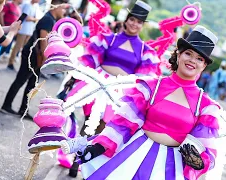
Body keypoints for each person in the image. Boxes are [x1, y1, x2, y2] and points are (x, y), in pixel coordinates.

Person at [62, 25, 221, 180]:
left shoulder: (206, 106)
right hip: (132, 155)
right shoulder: (151, 86)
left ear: (204, 66)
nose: (192, 60)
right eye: (188, 53)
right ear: (179, 55)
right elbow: (124, 122)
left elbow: (205, 146)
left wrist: (199, 161)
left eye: (199, 58)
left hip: (171, 168)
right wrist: (99, 146)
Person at [62, 1, 161, 176]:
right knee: (88, 124)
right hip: (98, 84)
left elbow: (145, 78)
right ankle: (75, 163)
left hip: (120, 92)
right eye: (132, 19)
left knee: (104, 130)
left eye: (139, 21)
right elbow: (90, 59)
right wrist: (76, 75)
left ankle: (87, 166)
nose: (134, 24)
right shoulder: (109, 39)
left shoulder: (145, 51)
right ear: (126, 19)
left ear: (142, 25)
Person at [0, 0, 68, 118]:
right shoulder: (48, 19)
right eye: (63, 8)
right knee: (20, 80)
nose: (64, 11)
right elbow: (43, 42)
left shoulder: (51, 19)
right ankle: (6, 105)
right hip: (33, 55)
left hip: (36, 56)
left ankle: (23, 110)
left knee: (31, 84)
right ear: (56, 6)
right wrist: (47, 61)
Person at [0, 0, 21, 76]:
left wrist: (10, 28)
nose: (3, 8)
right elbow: (5, 42)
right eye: (2, 5)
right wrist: (13, 32)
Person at [7, 0, 39, 71]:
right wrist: (35, 19)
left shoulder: (34, 7)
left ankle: (21, 64)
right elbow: (26, 18)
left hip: (29, 31)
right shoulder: (27, 5)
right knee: (17, 47)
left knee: (25, 49)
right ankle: (10, 62)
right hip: (23, 30)